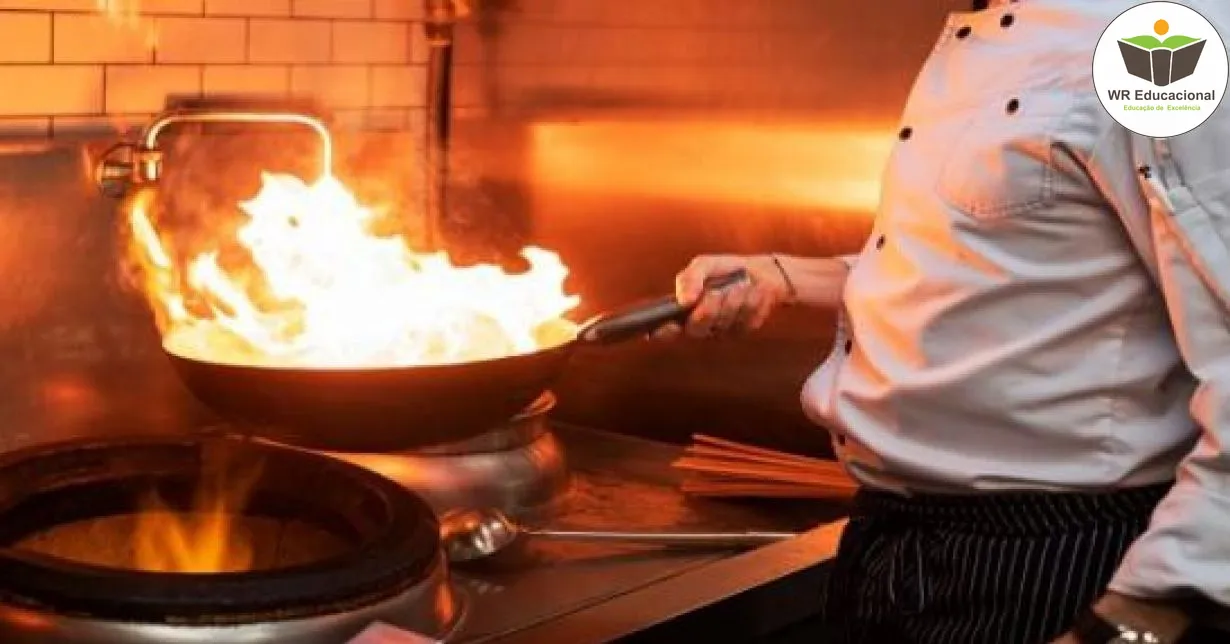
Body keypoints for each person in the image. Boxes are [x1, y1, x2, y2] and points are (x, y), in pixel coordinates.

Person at [658, 1, 1230, 642]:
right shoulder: (986, 28)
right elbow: (1005, 254)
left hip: (1049, 560)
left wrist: (1146, 613)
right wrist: (783, 275)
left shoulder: (1163, 40)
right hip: (889, 543)